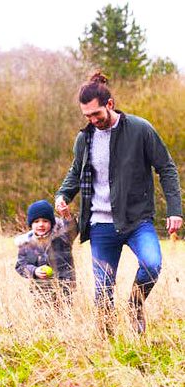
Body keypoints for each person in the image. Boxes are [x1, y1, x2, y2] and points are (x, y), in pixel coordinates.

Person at [55, 72, 183, 333]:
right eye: (87, 116)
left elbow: (167, 168)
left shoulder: (140, 130)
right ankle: (108, 350)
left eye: (96, 114)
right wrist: (63, 195)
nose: (92, 120)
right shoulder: (85, 138)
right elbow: (76, 171)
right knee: (102, 293)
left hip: (137, 220)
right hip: (100, 224)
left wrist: (175, 210)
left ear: (110, 104)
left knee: (151, 264)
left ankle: (136, 304)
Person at [15, 199, 78, 306]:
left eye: (45, 221)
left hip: (64, 286)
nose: (40, 224)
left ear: (51, 222)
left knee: (64, 316)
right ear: (31, 224)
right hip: (40, 289)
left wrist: (67, 216)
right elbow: (20, 265)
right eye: (36, 221)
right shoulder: (27, 244)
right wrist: (34, 271)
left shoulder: (62, 238)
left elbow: (72, 229)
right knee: (45, 317)